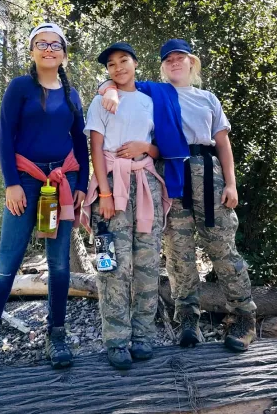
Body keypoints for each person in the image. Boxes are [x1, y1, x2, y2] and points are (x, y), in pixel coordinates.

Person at [99, 38, 257, 353]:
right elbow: (116, 79)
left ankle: (243, 318)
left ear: (191, 62)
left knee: (222, 248)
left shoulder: (208, 98)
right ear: (162, 65)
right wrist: (109, 89)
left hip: (207, 174)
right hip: (169, 176)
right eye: (168, 58)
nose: (174, 62)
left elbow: (222, 143)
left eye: (180, 57)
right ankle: (188, 319)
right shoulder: (152, 92)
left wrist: (231, 183)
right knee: (177, 252)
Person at [0, 22, 89, 382]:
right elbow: (4, 135)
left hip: (63, 181)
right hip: (25, 182)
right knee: (6, 264)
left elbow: (80, 143)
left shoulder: (73, 94)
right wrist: (11, 184)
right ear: (32, 51)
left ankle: (56, 335)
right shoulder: (20, 88)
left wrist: (82, 184)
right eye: (41, 44)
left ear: (64, 52)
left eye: (55, 44)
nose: (49, 49)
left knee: (59, 264)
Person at [81, 42, 176, 370]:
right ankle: (116, 339)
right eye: (111, 64)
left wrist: (146, 147)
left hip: (145, 184)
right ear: (107, 71)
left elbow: (162, 147)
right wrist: (104, 194)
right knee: (110, 265)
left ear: (136, 63)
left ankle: (143, 336)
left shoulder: (150, 101)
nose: (118, 67)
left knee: (147, 263)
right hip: (111, 187)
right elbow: (95, 147)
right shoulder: (101, 101)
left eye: (124, 60)